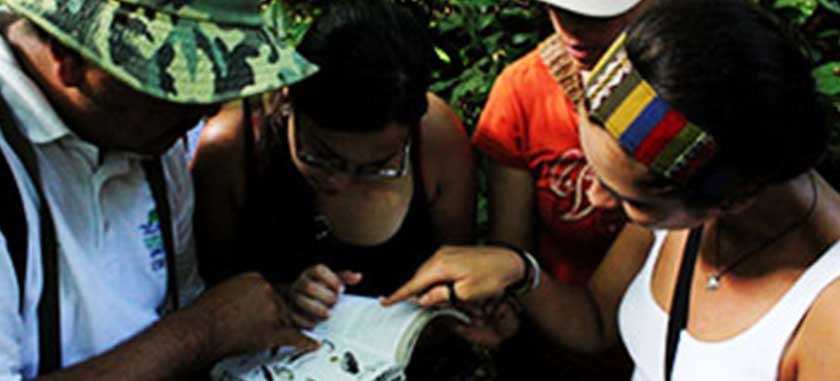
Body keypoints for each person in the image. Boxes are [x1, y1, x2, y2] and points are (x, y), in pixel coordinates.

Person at [385, 0, 840, 379]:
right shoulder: (687, 197)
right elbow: (597, 320)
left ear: (736, 197)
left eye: (632, 200)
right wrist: (522, 273)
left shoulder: (826, 313)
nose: (599, 201)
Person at [0, 1, 320, 380]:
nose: (206, 110)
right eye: (178, 82)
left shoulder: (152, 140)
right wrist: (204, 331)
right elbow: (196, 326)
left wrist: (273, 307)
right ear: (68, 56)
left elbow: (183, 303)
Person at [192, 0, 475, 327]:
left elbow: (457, 274)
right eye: (322, 156)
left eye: (378, 167)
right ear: (287, 99)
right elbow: (206, 298)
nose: (341, 183)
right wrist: (280, 299)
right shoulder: (233, 150)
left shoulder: (437, 140)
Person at [469, 0, 649, 378]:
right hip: (562, 348)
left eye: (596, 17)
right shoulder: (522, 93)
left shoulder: (689, 91)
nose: (570, 30)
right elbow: (512, 246)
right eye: (558, 9)